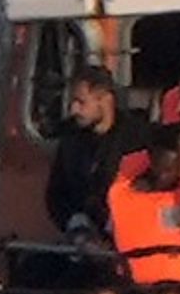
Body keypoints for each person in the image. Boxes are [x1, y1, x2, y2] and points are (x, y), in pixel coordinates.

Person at [45, 66, 148, 242]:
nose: (74, 110)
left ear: (105, 100)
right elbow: (56, 192)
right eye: (72, 103)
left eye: (81, 102)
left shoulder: (138, 138)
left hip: (125, 240)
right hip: (80, 240)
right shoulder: (70, 136)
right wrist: (73, 222)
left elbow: (146, 192)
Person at [106, 125, 180, 287]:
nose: (162, 176)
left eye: (168, 170)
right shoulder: (122, 192)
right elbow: (111, 233)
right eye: (157, 169)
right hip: (134, 285)